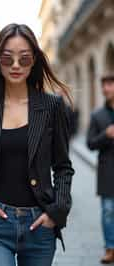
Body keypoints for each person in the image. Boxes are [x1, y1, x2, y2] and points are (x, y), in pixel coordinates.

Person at [0, 23, 75, 266]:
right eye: (7, 59)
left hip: (39, 226)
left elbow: (63, 167)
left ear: (34, 62)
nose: (16, 66)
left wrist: (56, 212)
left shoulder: (52, 107)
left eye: (24, 59)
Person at [87, 74, 114, 264]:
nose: (106, 88)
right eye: (104, 85)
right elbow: (90, 143)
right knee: (107, 210)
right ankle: (110, 248)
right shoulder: (97, 115)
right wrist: (106, 135)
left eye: (110, 85)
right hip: (107, 171)